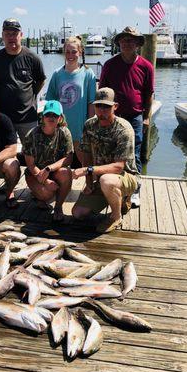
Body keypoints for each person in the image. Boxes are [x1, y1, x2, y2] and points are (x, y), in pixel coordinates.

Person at [99, 26, 154, 208]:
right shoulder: (109, 65)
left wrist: (147, 117)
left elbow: (149, 93)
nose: (127, 44)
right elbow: (102, 91)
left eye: (131, 40)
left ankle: (135, 188)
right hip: (113, 116)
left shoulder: (146, 66)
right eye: (123, 40)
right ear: (119, 43)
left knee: (135, 153)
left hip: (135, 116)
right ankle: (112, 186)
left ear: (138, 44)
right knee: (110, 150)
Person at [72, 88, 140, 233]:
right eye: (99, 106)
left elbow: (119, 167)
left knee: (107, 181)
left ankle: (116, 216)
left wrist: (88, 170)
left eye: (106, 107)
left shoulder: (124, 129)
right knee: (78, 213)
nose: (102, 110)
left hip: (126, 176)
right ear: (94, 106)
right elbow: (87, 155)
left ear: (115, 106)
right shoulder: (89, 125)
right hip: (101, 177)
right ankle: (117, 200)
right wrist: (89, 182)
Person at [0, 18, 46, 145]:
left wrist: (30, 95)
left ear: (21, 35)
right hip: (3, 117)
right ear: (2, 36)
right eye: (7, 34)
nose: (11, 37)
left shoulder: (32, 58)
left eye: (14, 34)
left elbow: (41, 80)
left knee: (32, 152)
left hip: (28, 117)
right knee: (6, 156)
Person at [46, 36, 96, 166]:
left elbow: (91, 102)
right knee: (60, 162)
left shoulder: (88, 73)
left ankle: (90, 186)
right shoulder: (57, 74)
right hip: (61, 126)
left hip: (80, 127)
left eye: (74, 51)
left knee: (85, 161)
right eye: (67, 52)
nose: (70, 55)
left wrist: (90, 126)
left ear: (80, 52)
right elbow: (50, 102)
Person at [23, 100, 73, 222]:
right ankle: (39, 196)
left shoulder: (64, 132)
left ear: (60, 117)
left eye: (55, 115)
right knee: (46, 195)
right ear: (43, 116)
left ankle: (58, 207)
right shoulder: (32, 134)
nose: (51, 118)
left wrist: (49, 169)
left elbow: (69, 158)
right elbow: (30, 164)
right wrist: (45, 181)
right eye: (48, 115)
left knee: (66, 172)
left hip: (52, 171)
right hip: (35, 173)